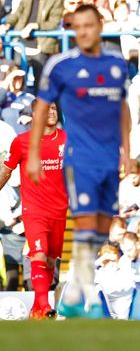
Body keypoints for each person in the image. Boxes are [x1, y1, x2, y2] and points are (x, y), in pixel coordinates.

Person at [28, 4, 130, 319]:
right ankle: (85, 293)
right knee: (86, 220)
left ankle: (74, 291)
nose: (84, 31)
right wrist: (33, 154)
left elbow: (122, 107)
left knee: (101, 225)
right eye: (78, 26)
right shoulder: (61, 65)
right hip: (79, 158)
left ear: (100, 25)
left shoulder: (116, 63)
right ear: (74, 30)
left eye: (90, 25)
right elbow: (42, 110)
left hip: (109, 158)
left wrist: (128, 149)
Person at [0, 101, 66, 319]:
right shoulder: (22, 142)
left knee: (50, 260)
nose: (52, 112)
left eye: (55, 109)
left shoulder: (67, 140)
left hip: (59, 210)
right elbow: (6, 171)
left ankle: (37, 309)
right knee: (39, 252)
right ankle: (45, 306)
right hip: (34, 209)